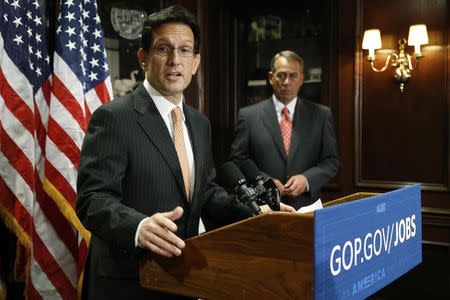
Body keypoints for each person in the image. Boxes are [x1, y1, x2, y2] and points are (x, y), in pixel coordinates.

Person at [76, 5, 294, 300]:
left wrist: (256, 214)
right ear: (143, 58)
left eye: (185, 50)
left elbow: (205, 193)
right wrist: (138, 227)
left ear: (195, 62)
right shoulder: (113, 117)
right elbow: (92, 200)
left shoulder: (200, 123)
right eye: (163, 49)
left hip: (184, 278)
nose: (174, 60)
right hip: (127, 281)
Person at [229, 50, 340, 210]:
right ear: (270, 78)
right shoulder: (248, 116)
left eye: (293, 76)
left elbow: (331, 162)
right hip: (264, 208)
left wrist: (307, 180)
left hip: (307, 207)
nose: (286, 82)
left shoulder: (321, 115)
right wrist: (264, 181)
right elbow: (237, 161)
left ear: (302, 79)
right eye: (281, 75)